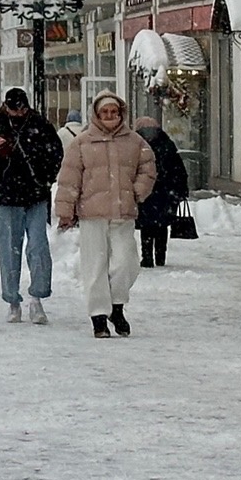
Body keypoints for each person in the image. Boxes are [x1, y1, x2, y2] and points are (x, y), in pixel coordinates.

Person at [52, 91, 155, 338]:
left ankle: (116, 306)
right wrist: (66, 210)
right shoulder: (82, 142)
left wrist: (137, 191)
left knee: (126, 262)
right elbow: (69, 179)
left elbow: (148, 169)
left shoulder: (135, 142)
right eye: (105, 112)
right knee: (95, 266)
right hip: (92, 214)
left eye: (114, 112)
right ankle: (98, 315)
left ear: (121, 114)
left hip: (123, 212)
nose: (110, 116)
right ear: (96, 115)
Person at [0, 88, 64, 322]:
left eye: (22, 108)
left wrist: (45, 179)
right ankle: (12, 300)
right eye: (14, 108)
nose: (19, 113)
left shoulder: (40, 126)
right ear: (6, 107)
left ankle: (37, 298)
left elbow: (55, 154)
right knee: (9, 249)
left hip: (35, 196)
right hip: (7, 197)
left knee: (38, 246)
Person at [133, 113, 190, 267]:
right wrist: (181, 189)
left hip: (146, 190)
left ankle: (147, 257)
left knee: (146, 226)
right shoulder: (167, 143)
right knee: (161, 225)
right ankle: (160, 257)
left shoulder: (137, 145)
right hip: (166, 192)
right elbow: (178, 168)